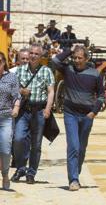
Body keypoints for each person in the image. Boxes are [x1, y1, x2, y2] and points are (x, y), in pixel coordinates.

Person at [51, 45, 104, 191]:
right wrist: (69, 50)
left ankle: (76, 171)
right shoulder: (68, 69)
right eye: (75, 57)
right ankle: (73, 179)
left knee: (81, 148)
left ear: (87, 59)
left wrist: (93, 113)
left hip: (87, 116)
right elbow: (55, 60)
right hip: (70, 114)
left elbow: (101, 96)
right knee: (73, 146)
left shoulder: (95, 74)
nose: (76, 60)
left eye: (80, 58)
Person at [12, 44, 55, 184]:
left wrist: (48, 109)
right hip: (24, 110)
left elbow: (51, 92)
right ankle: (21, 168)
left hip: (39, 110)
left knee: (36, 144)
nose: (33, 56)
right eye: (31, 53)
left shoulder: (46, 71)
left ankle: (31, 172)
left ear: (41, 56)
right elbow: (14, 88)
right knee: (18, 139)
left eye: (36, 54)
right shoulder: (19, 70)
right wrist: (21, 91)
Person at [0, 52, 20, 190]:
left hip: (5, 117)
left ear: (3, 63)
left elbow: (16, 96)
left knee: (6, 149)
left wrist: (16, 107)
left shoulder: (11, 77)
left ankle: (5, 174)